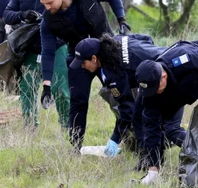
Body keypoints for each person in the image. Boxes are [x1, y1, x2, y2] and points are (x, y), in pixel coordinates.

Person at [36, 0, 130, 148]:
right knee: (78, 102)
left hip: (107, 53)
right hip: (79, 59)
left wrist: (121, 19)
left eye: (50, 2)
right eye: (44, 4)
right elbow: (48, 52)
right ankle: (75, 147)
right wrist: (46, 86)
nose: (47, 8)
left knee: (121, 98)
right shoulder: (48, 21)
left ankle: (129, 140)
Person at [134, 41, 198, 185]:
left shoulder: (185, 58)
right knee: (170, 131)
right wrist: (152, 169)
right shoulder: (150, 95)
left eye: (155, 88)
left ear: (163, 76)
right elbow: (152, 131)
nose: (153, 93)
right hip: (176, 97)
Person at [70, 34, 178, 162]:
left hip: (169, 78)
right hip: (170, 54)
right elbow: (146, 39)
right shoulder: (115, 41)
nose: (82, 67)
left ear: (94, 58)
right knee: (141, 113)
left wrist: (114, 139)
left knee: (160, 125)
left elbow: (127, 109)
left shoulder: (114, 72)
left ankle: (150, 159)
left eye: (83, 63)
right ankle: (149, 157)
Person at [3, 0, 68, 128]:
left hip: (57, 46)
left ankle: (68, 127)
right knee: (27, 88)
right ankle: (30, 125)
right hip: (30, 48)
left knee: (61, 89)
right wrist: (22, 15)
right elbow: (7, 14)